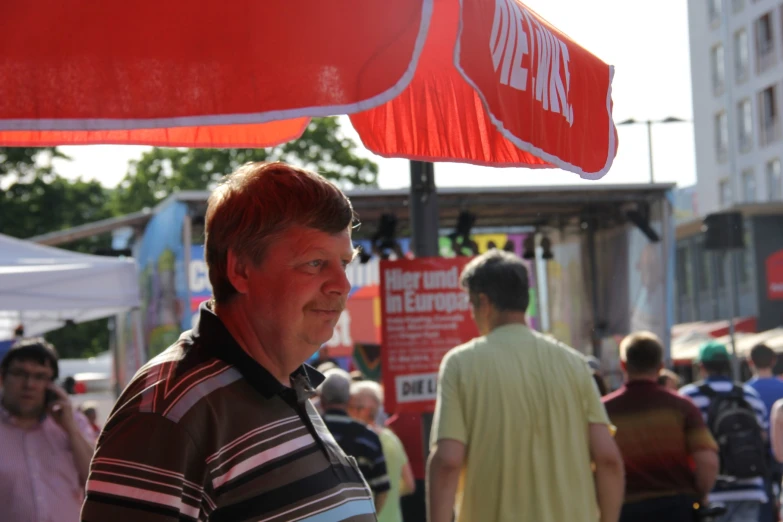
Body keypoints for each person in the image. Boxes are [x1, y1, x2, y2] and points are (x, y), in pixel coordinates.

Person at [81, 162, 379, 521]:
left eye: (344, 263)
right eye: (315, 263)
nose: (341, 285)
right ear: (240, 270)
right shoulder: (169, 412)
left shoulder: (279, 382)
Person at [428, 249, 625, 522]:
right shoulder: (575, 364)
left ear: (484, 302)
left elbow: (448, 463)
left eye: (471, 305)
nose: (472, 315)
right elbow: (608, 459)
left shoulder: (461, 364)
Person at [603, 331, 719, 522]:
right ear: (661, 366)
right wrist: (699, 494)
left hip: (625, 509)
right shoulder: (682, 406)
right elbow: (708, 461)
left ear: (622, 365)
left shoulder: (605, 410)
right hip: (677, 508)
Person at [0, 338, 96, 522]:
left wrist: (71, 430)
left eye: (40, 376)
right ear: (3, 377)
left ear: (52, 385)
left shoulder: (72, 422)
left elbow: (97, 482)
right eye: (20, 374)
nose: (29, 384)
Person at [680, 341, 769, 522]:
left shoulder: (689, 396)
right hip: (750, 487)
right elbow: (763, 436)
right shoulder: (750, 395)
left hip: (709, 490)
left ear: (701, 366)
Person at [320, 369, 390, 512]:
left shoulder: (307, 432)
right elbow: (382, 488)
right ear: (349, 399)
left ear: (321, 399)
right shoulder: (368, 437)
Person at [349, 380, 415, 522]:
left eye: (351, 406)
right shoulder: (392, 438)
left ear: (364, 410)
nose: (347, 411)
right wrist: (392, 493)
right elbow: (410, 485)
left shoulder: (358, 441)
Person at [747, 343, 783, 522]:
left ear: (749, 362)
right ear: (774, 360)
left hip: (757, 458)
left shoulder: (745, 392)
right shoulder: (781, 388)